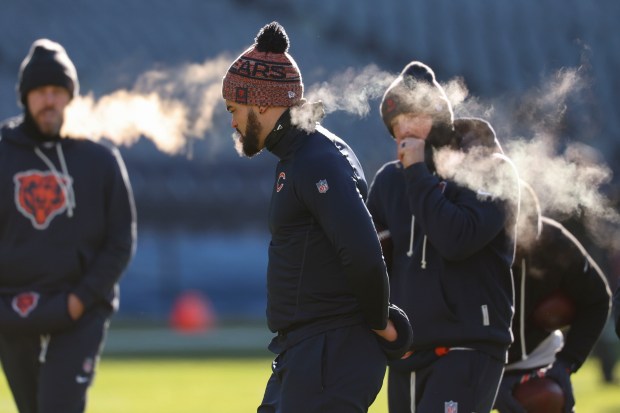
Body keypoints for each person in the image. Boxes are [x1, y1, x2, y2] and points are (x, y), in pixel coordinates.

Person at [221, 22, 412, 413]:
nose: (233, 123)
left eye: (233, 109)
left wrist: (380, 321)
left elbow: (362, 250)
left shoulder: (316, 158)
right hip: (308, 353)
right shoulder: (299, 156)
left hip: (331, 351)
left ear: (260, 102)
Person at [366, 61, 520, 413]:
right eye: (395, 123)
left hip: (469, 345)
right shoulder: (391, 180)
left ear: (438, 115)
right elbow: (373, 260)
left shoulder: (489, 169)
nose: (402, 130)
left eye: (412, 116)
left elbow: (456, 239)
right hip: (408, 349)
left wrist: (418, 172)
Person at [0, 39, 136, 413]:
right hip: (12, 308)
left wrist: (80, 299)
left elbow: (121, 240)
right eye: (41, 91)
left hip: (78, 308)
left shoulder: (99, 160)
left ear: (69, 97)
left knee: (59, 406)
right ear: (25, 96)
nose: (49, 100)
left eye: (58, 91)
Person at [492, 181, 611, 413]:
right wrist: (488, 385)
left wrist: (567, 361)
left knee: (548, 398)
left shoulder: (553, 241)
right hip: (475, 355)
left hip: (538, 352)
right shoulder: (467, 245)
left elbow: (597, 299)